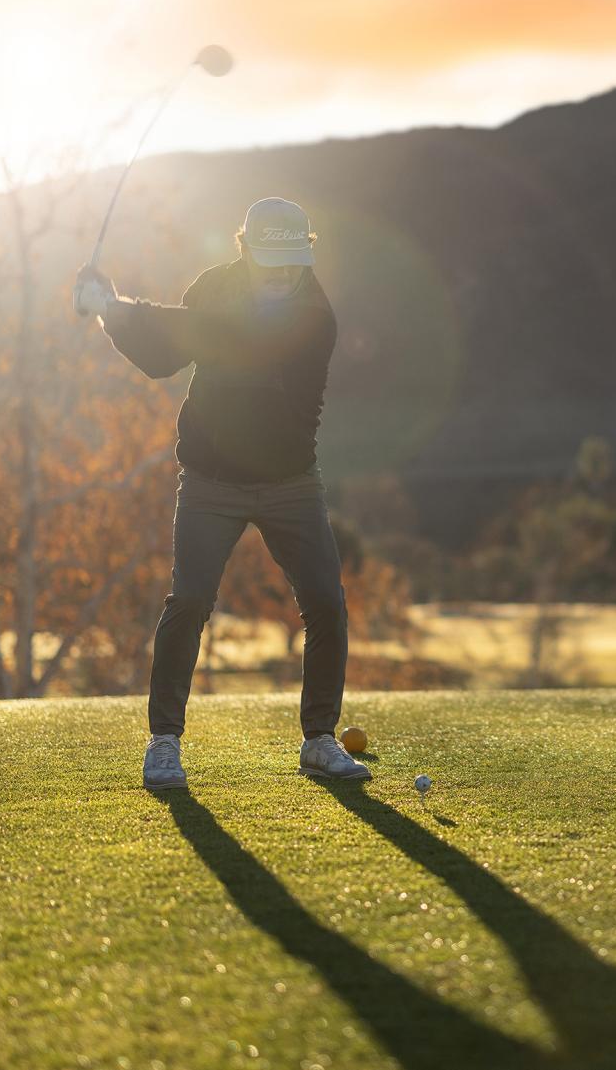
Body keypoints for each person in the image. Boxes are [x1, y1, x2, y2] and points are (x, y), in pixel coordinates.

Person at [73, 197, 370, 789]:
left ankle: (319, 740)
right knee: (188, 603)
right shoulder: (213, 287)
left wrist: (115, 305)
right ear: (246, 251)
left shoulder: (314, 315)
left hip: (289, 481)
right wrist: (108, 317)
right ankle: (163, 743)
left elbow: (230, 340)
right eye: (272, 259)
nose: (284, 271)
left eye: (293, 258)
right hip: (212, 482)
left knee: (327, 604)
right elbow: (164, 356)